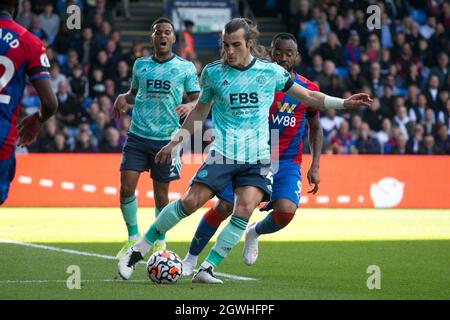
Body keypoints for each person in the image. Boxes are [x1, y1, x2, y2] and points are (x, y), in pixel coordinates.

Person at [118, 18, 371, 283]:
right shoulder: (213, 72)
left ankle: (208, 268)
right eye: (225, 45)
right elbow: (200, 112)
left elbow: (309, 97)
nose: (229, 51)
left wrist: (343, 102)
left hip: (257, 158)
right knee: (190, 202)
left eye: (235, 45)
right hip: (223, 154)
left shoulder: (270, 73)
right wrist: (175, 142)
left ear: (249, 43)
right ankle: (138, 250)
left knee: (245, 209)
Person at [181, 32, 324, 276]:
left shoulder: (308, 88)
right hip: (249, 154)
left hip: (287, 160)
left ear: (297, 57)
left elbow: (315, 126)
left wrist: (315, 165)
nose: (282, 58)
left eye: (289, 54)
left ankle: (254, 232)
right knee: (224, 206)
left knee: (286, 211)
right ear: (270, 52)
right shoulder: (258, 78)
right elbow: (220, 98)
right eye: (278, 52)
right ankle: (191, 258)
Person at [112, 18, 200, 259]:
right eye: (157, 32)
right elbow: (134, 94)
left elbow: (198, 99)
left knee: (161, 195)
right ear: (152, 38)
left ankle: (159, 242)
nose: (162, 35)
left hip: (166, 140)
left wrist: (189, 105)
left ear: (173, 38)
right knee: (126, 187)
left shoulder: (185, 67)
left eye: (167, 32)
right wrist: (123, 97)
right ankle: (132, 238)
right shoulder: (140, 65)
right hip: (138, 136)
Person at [0, 0, 58, 205]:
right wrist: (39, 118)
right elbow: (50, 103)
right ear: (16, 7)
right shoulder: (29, 41)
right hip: (3, 132)